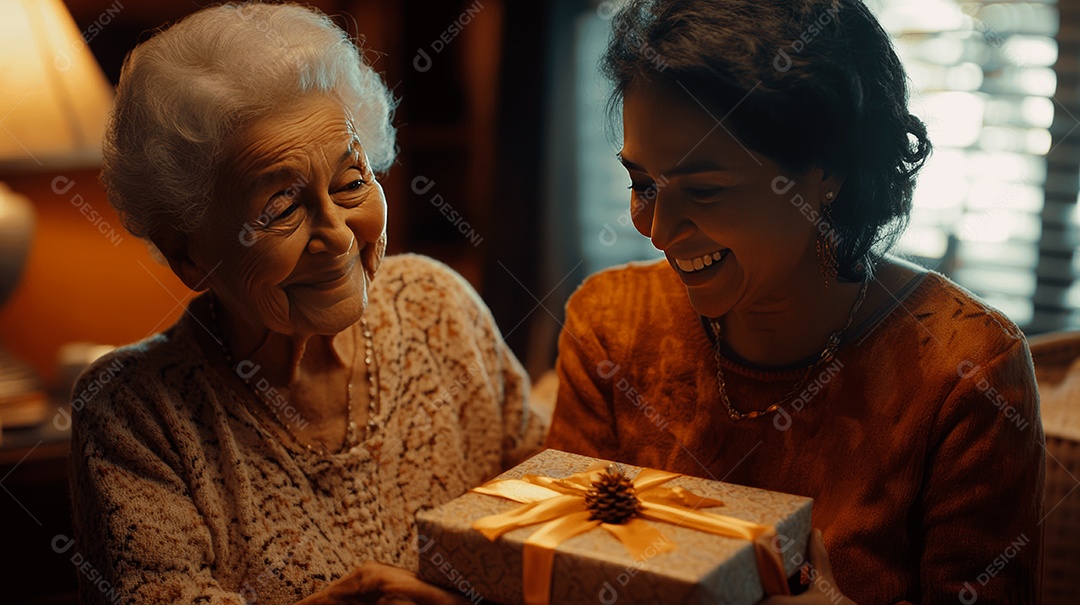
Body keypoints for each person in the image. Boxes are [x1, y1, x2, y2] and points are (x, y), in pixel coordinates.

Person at [545, 0, 1044, 603]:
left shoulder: (963, 372)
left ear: (827, 173)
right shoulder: (611, 324)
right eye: (643, 184)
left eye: (704, 190)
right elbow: (557, 568)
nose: (656, 228)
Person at [68, 4, 545, 604]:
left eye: (351, 183)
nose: (341, 235)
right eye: (281, 208)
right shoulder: (134, 416)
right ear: (187, 252)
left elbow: (548, 519)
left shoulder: (438, 305)